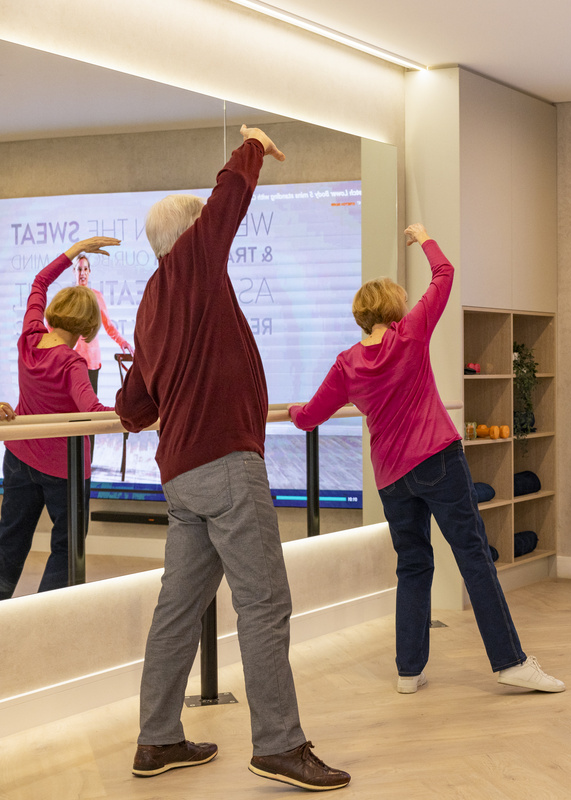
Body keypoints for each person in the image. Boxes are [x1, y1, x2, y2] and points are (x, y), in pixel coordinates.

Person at [115, 125, 350, 791]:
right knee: (265, 601)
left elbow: (134, 406)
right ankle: (279, 744)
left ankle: (157, 739)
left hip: (183, 478)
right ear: (188, 238)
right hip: (223, 466)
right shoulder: (191, 268)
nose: (211, 238)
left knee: (178, 612)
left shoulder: (152, 304)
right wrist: (252, 146)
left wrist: (141, 402)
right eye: (202, 231)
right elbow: (226, 203)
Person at [288, 222, 565, 696]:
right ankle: (510, 662)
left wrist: (289, 408)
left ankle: (408, 671)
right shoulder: (410, 335)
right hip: (437, 459)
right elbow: (444, 273)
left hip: (392, 478)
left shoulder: (346, 364)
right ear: (394, 310)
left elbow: (309, 418)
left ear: (360, 316)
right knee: (474, 557)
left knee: (413, 566)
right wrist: (423, 236)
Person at [0, 238, 116, 600]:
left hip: (19, 459)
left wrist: (75, 249)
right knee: (67, 549)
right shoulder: (72, 363)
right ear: (87, 326)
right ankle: (49, 618)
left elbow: (38, 282)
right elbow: (93, 413)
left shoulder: (29, 338)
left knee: (9, 543)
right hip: (63, 472)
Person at [72, 254, 132, 393]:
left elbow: (108, 326)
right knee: (75, 410)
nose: (82, 273)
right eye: (79, 269)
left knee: (90, 408)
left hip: (92, 361)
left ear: (89, 272)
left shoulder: (97, 296)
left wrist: (122, 342)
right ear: (74, 271)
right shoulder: (68, 297)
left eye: (85, 269)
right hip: (73, 361)